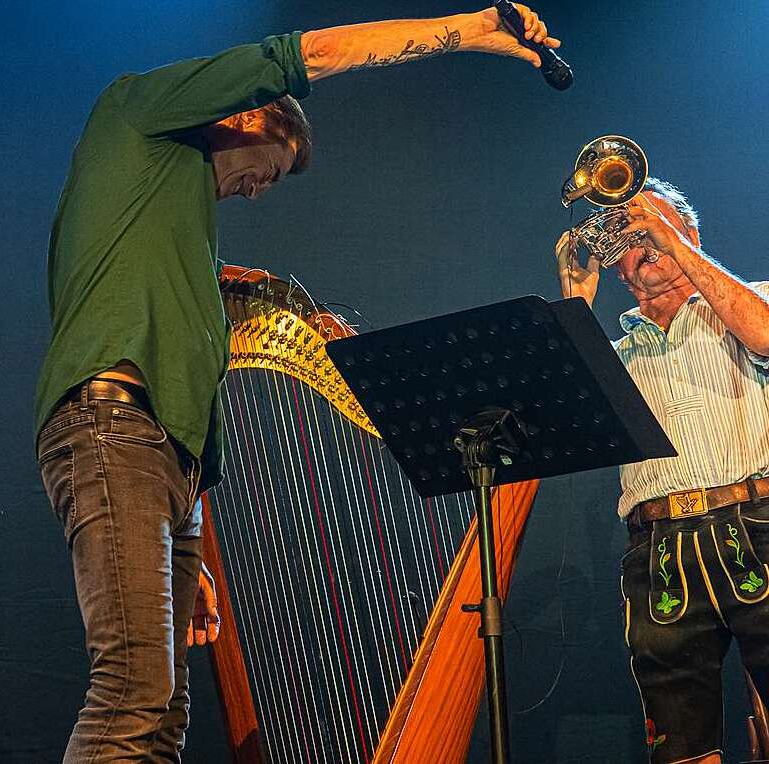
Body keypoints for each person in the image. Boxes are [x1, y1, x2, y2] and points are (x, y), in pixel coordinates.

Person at [36, 5, 561, 761]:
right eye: (270, 172)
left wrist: (184, 546)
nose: (257, 193)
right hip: (115, 428)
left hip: (160, 464)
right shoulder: (136, 112)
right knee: (131, 697)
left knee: (162, 717)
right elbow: (309, 52)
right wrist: (474, 28)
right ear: (250, 116)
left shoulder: (167, 222)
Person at [555, 178, 769, 763]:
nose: (642, 239)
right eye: (624, 235)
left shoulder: (753, 298)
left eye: (651, 223)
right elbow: (568, 428)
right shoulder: (615, 354)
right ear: (617, 267)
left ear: (690, 234)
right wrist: (575, 298)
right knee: (680, 744)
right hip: (658, 549)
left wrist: (671, 240)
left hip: (759, 526)